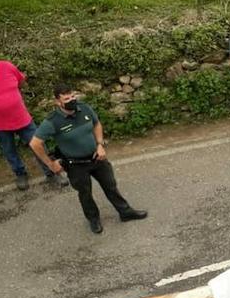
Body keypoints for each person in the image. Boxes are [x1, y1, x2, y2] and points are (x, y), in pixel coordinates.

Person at [30, 85, 147, 234]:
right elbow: (35, 143)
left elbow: (96, 124)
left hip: (97, 157)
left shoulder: (84, 108)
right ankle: (93, 219)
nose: (72, 100)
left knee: (110, 185)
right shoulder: (52, 121)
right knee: (85, 193)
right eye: (66, 99)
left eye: (73, 96)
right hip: (75, 165)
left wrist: (100, 144)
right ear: (58, 102)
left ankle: (125, 212)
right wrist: (50, 164)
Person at [0, 50, 67, 190]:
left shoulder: (7, 66)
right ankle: (20, 174)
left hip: (22, 117)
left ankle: (51, 172)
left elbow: (20, 81)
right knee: (9, 151)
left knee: (38, 145)